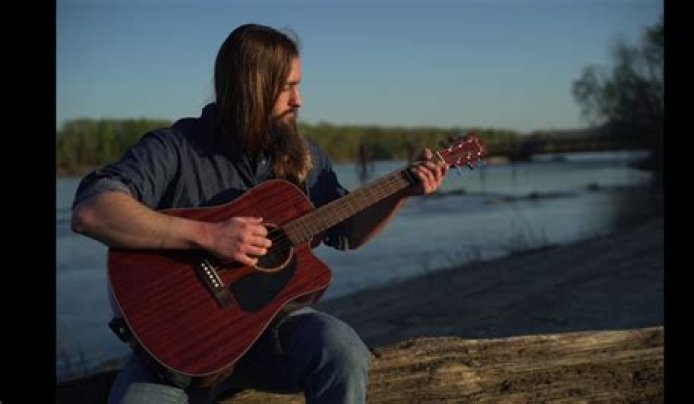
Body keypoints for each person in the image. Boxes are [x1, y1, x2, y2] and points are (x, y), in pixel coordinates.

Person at [71, 23, 448, 404]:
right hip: (176, 353)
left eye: (299, 86)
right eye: (287, 87)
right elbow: (92, 211)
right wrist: (209, 235)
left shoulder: (304, 158)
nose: (299, 100)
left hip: (270, 338)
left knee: (343, 349)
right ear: (250, 85)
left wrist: (401, 191)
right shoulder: (175, 148)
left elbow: (347, 231)